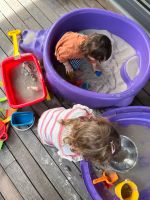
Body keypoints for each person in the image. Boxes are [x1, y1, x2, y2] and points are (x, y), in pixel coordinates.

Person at [38, 104, 121, 165]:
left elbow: (76, 107)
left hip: (50, 114)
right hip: (43, 131)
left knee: (63, 114)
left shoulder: (81, 113)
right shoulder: (66, 148)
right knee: (50, 140)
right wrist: (80, 156)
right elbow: (62, 153)